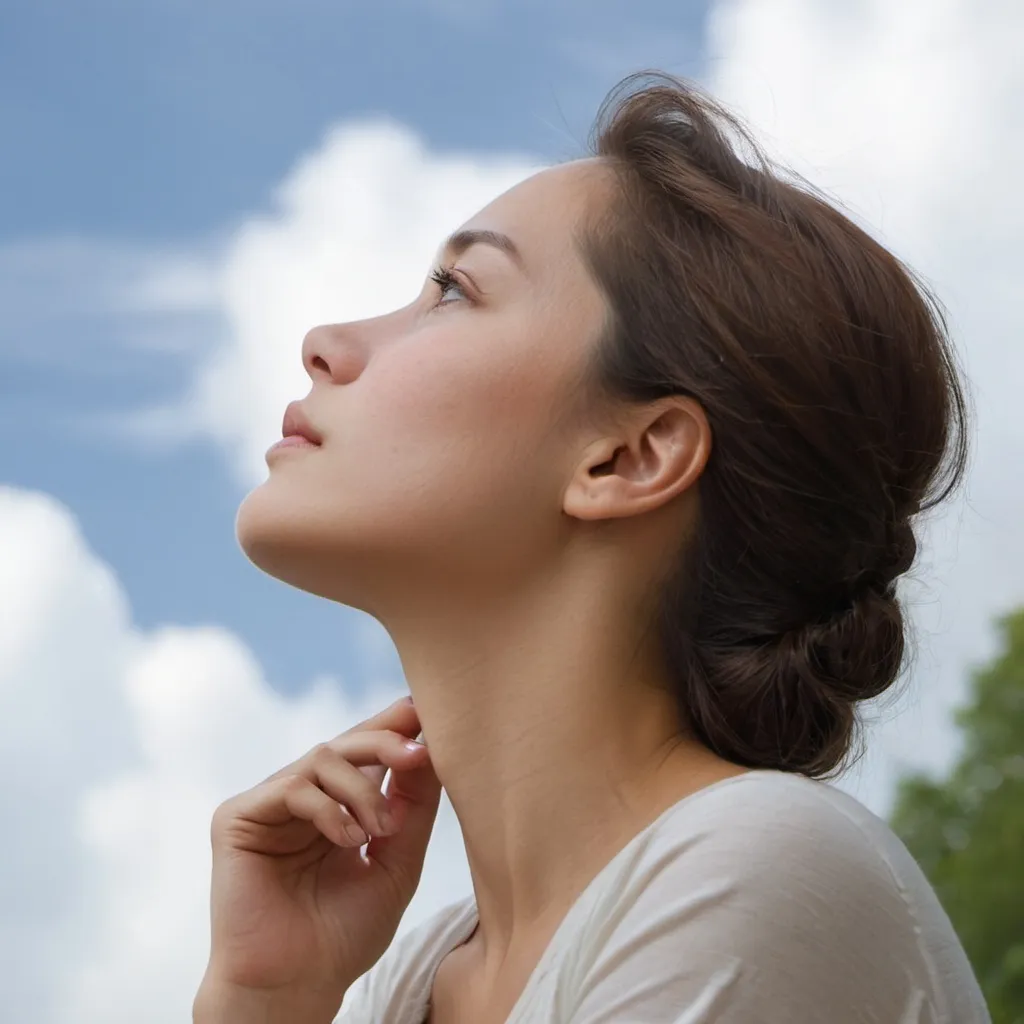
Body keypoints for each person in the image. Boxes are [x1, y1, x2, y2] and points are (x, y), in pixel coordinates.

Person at [192, 72, 991, 1023]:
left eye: (452, 290)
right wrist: (267, 999)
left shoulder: (750, 874)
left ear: (629, 457)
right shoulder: (410, 985)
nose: (325, 343)